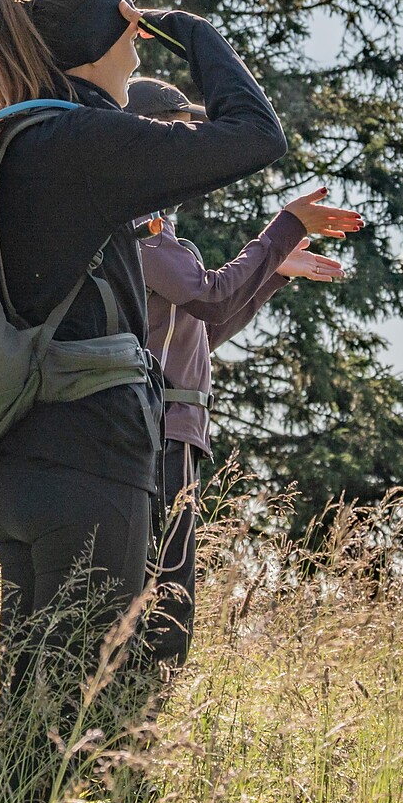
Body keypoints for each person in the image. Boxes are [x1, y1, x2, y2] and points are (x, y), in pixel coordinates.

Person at [0, 0, 287, 803]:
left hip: (20, 461)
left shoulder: (17, 136)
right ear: (111, 34)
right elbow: (252, 135)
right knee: (73, 714)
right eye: (130, 23)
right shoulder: (83, 142)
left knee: (26, 708)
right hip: (90, 465)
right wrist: (198, 35)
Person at [123, 78, 361, 671]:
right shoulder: (141, 226)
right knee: (167, 603)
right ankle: (137, 732)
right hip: (161, 432)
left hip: (170, 430)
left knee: (164, 595)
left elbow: (204, 325)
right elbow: (209, 299)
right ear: (153, 138)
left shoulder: (154, 228)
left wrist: (276, 269)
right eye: (182, 129)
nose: (194, 147)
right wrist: (282, 231)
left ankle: (132, 727)